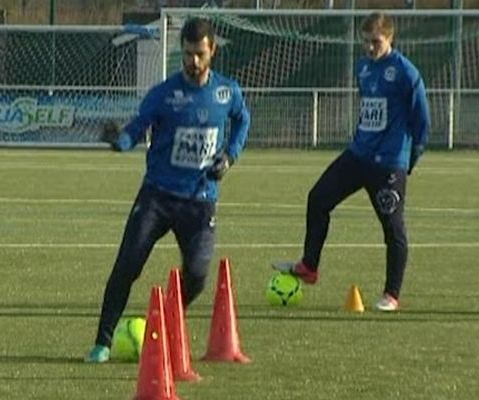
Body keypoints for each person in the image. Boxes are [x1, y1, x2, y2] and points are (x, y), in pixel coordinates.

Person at [85, 17, 250, 362]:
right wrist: (120, 141)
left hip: (200, 201)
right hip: (157, 197)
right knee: (127, 266)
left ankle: (164, 325)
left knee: (199, 274)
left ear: (212, 52)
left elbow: (243, 119)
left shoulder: (227, 91)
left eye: (200, 54)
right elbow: (136, 128)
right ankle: (102, 342)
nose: (193, 61)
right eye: (188, 54)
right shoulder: (163, 94)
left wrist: (230, 156)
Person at [274, 12, 430, 311]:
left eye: (376, 42)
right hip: (358, 155)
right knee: (318, 198)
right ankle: (309, 266)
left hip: (388, 164)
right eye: (366, 42)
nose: (370, 48)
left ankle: (391, 295)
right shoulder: (363, 69)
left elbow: (422, 119)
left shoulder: (405, 72)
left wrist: (410, 158)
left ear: (390, 38)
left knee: (393, 229)